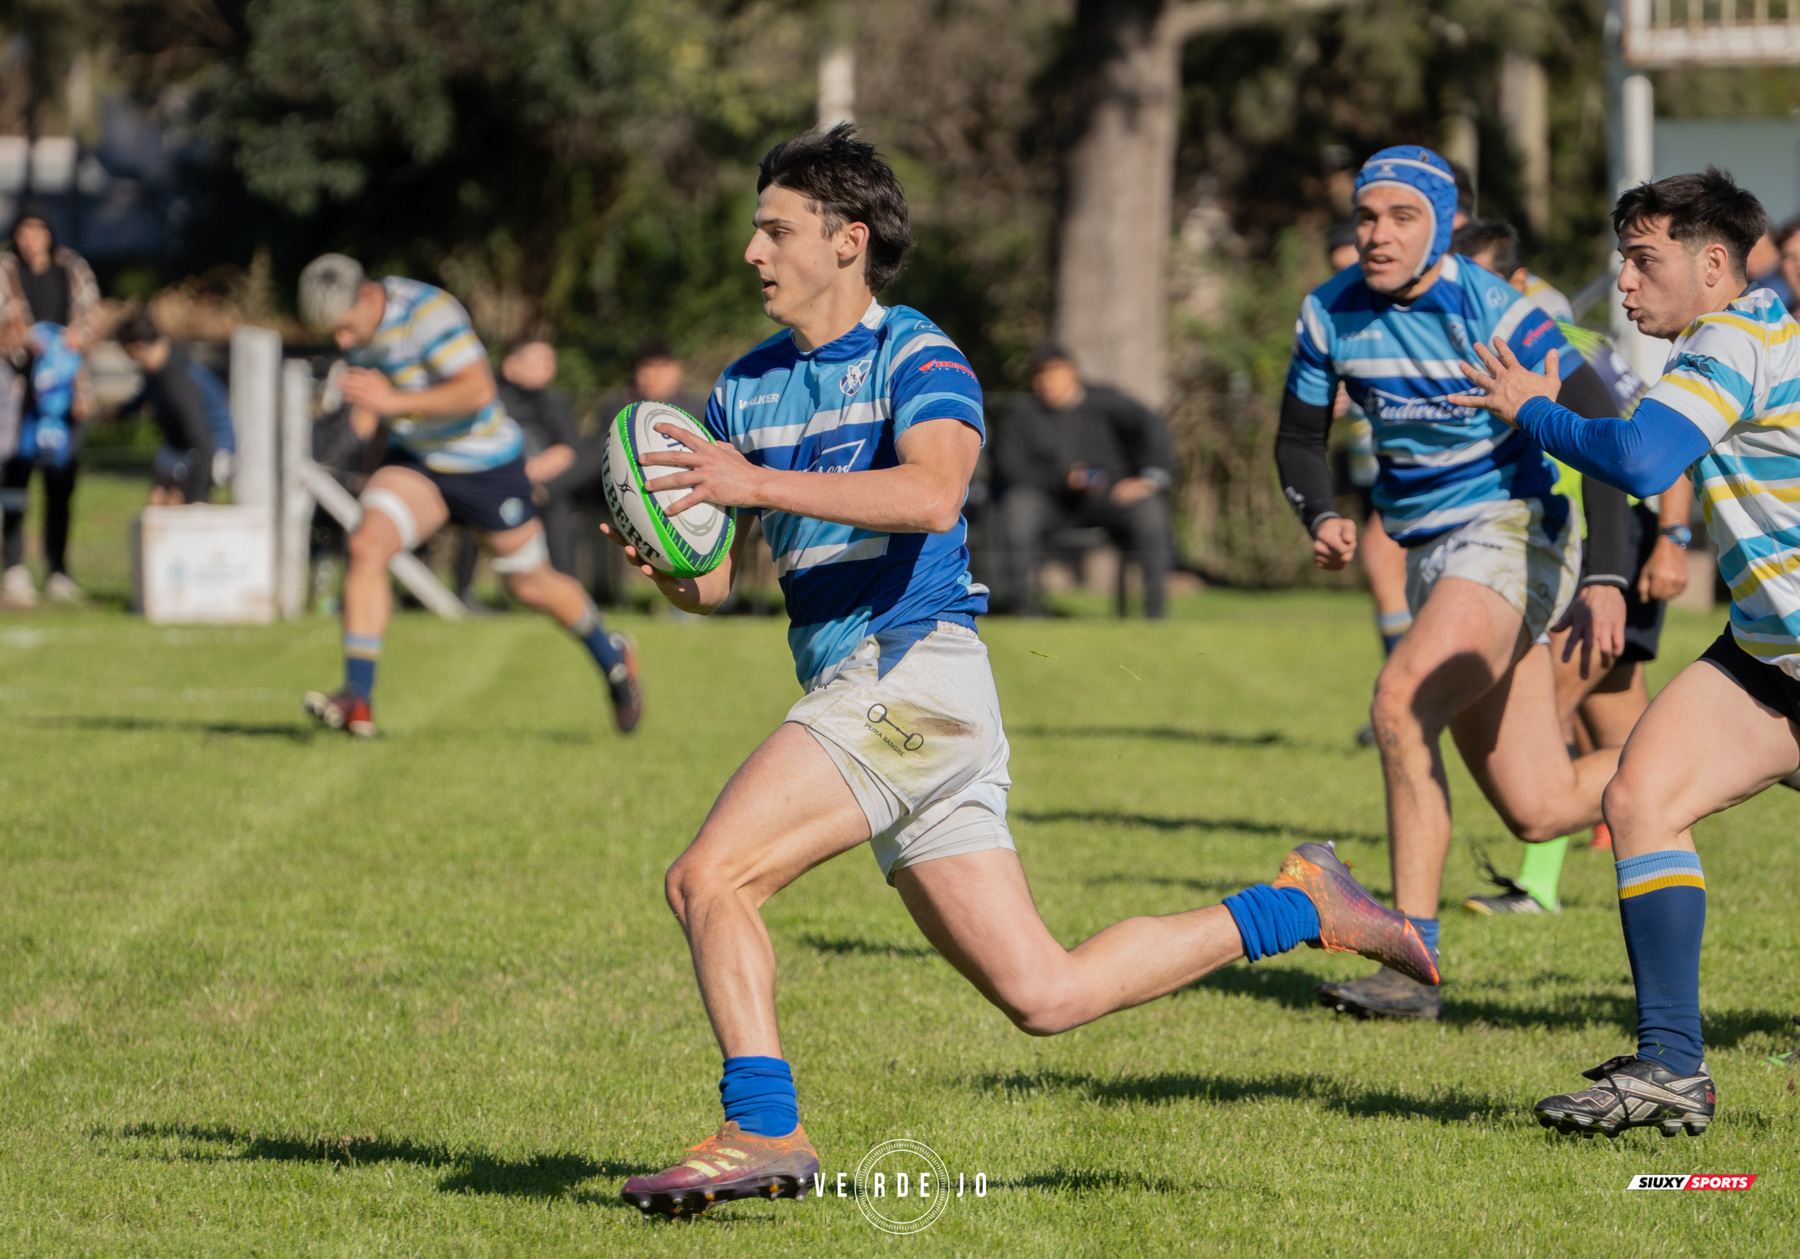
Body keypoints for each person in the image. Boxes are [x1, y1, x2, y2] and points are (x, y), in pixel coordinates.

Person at [606, 124, 1437, 1217]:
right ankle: (1298, 904)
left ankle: (763, 1129)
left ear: (846, 239)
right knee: (1045, 993)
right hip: (881, 700)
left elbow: (933, 494)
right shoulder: (745, 386)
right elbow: (717, 586)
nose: (752, 251)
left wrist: (751, 484)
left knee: (709, 876)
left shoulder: (918, 352)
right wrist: (668, 560)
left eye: (775, 229)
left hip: (912, 679)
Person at [1448, 166, 1784, 1138]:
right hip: (1768, 657)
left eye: (1644, 260)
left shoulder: (1733, 339)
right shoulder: (1745, 337)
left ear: (1713, 263)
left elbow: (1639, 461)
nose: (1625, 285)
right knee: (1640, 797)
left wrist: (1533, 407)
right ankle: (1672, 1065)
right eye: (1622, 262)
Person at [1274, 146, 1629, 1021]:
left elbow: (1609, 422)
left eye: (1401, 216)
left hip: (1515, 534)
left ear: (1441, 224)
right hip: (1437, 553)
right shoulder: (1329, 312)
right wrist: (1320, 513)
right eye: (1367, 217)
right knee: (1540, 808)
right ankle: (1757, 745)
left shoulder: (1493, 305)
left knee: (1398, 702)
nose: (1379, 233)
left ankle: (1409, 956)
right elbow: (1296, 439)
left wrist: (1613, 571)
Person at [293, 254, 643, 736]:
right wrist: (375, 461)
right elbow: (379, 406)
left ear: (368, 297)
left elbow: (477, 390)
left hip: (485, 464)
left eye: (347, 329)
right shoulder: (359, 328)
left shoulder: (426, 314)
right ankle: (358, 698)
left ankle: (613, 657)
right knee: (366, 543)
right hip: (418, 460)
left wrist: (392, 403)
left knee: (530, 585)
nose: (343, 342)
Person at [1451, 219, 1691, 912]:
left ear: (1520, 283)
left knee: (1546, 719)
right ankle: (1659, 862)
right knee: (1626, 736)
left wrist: (1671, 538)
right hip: (1599, 549)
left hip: (1615, 549)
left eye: (1482, 281)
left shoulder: (1569, 353)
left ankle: (1538, 887)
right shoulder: (1507, 346)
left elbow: (1648, 442)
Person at [993, 345, 1175, 616]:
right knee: (1018, 508)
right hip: (1051, 502)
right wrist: (1061, 480)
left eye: (1054, 373)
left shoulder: (1105, 400)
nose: (1047, 381)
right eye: (1040, 375)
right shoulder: (1022, 413)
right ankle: (1023, 608)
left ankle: (1155, 612)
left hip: (1109, 499)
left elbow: (1151, 425)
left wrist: (1149, 479)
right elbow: (1009, 466)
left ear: (1073, 372)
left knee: (1150, 509)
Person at [1327, 217, 1413, 743]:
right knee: (1390, 575)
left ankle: (1402, 703)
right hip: (1367, 466)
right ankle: (1401, 702)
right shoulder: (1337, 315)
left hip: (1408, 466)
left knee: (1382, 562)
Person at [0, 203, 100, 607]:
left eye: (37, 231)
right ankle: (15, 568)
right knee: (14, 482)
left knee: (61, 483)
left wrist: (78, 336)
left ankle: (58, 570)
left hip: (65, 396)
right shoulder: (5, 272)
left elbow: (95, 315)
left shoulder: (72, 268)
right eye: (23, 233)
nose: (30, 241)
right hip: (18, 398)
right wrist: (23, 341)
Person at [453, 337, 580, 604]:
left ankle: (567, 593)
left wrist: (536, 474)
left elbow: (568, 450)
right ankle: (463, 592)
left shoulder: (555, 403)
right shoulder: (487, 399)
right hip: (491, 480)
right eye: (538, 361)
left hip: (543, 484)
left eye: (550, 361)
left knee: (558, 502)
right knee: (475, 507)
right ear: (511, 365)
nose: (547, 367)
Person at [115, 311, 232, 506]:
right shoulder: (159, 368)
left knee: (174, 507)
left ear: (139, 347)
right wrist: (120, 413)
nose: (131, 361)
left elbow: (201, 438)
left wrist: (198, 497)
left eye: (130, 355)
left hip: (211, 446)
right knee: (156, 505)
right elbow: (148, 394)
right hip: (180, 443)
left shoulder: (178, 382)